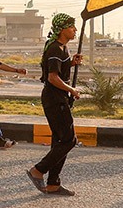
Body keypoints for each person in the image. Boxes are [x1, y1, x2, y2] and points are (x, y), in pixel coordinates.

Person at [26, 13, 84, 196]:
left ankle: (53, 184)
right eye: (71, 27)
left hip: (59, 98)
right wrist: (72, 89)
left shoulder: (62, 48)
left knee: (60, 141)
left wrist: (71, 63)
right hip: (54, 99)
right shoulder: (55, 49)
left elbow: (58, 71)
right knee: (69, 140)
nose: (75, 30)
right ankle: (38, 170)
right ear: (62, 29)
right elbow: (52, 77)